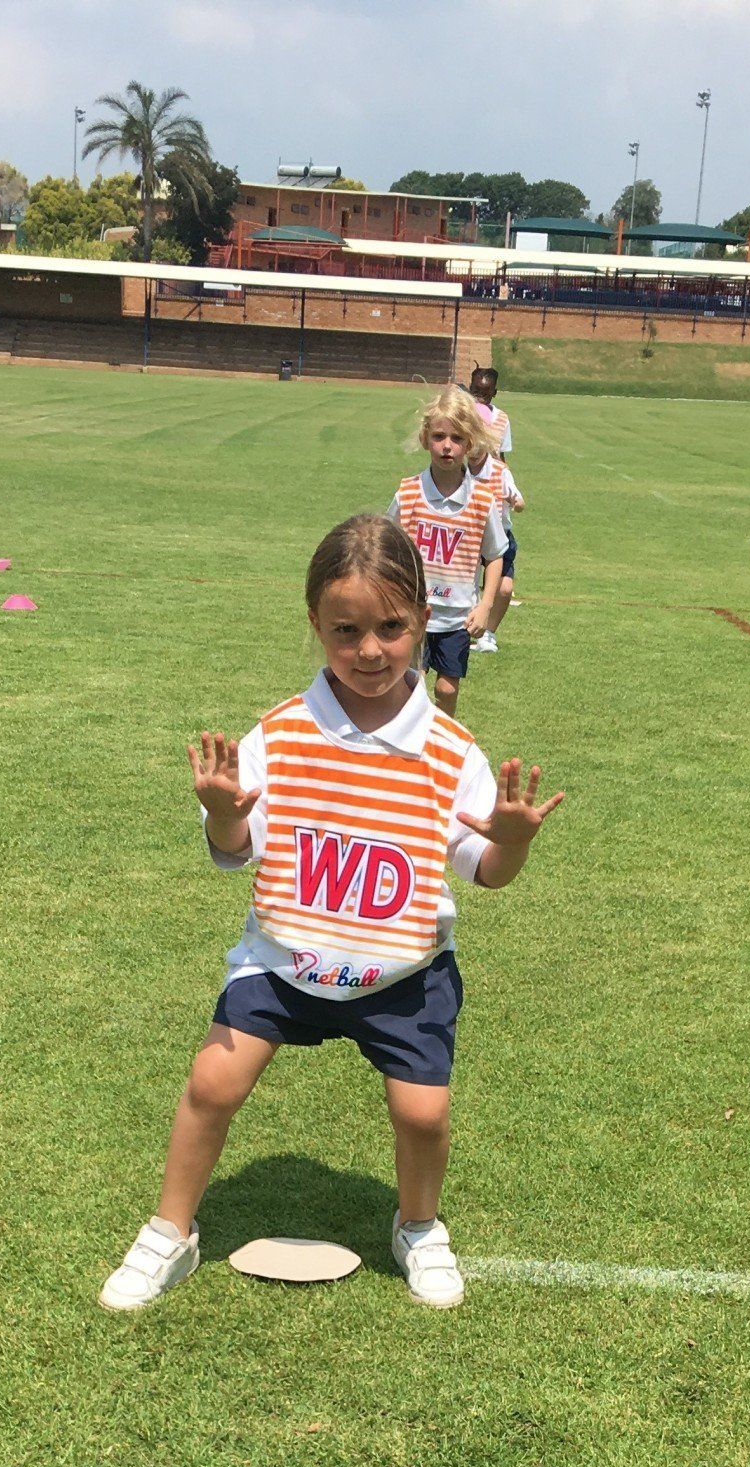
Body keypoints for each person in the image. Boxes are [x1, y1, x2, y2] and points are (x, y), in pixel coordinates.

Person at [99, 514, 562, 1314]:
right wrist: (220, 813)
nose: (371, 650)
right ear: (315, 623)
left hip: (403, 970)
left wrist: (513, 841)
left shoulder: (452, 753)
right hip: (284, 961)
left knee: (423, 1112)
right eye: (347, 631)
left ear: (423, 620)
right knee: (213, 1082)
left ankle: (418, 1226)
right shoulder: (279, 735)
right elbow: (237, 848)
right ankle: (168, 1232)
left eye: (393, 627)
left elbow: (486, 872)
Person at [387, 386, 508, 714]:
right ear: (426, 439)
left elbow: (495, 555)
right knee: (412, 685)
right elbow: (386, 544)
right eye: (439, 436)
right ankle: (410, 745)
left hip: (457, 617)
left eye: (457, 438)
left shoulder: (482, 501)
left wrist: (484, 606)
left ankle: (444, 745)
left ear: (470, 443)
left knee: (446, 688)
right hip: (414, 612)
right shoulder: (409, 493)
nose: (447, 446)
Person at [467, 365, 523, 654]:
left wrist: (508, 491)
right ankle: (461, 629)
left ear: (495, 394)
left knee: (503, 587)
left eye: (486, 395)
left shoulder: (501, 420)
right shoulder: (460, 416)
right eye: (476, 392)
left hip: (496, 512)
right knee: (467, 580)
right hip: (468, 511)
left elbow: (501, 458)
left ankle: (489, 634)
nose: (481, 399)